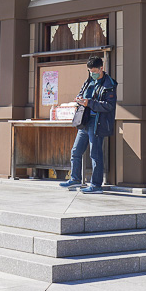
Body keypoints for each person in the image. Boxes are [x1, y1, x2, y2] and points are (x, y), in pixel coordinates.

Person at [59, 56, 116, 194]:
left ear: (102, 68)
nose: (92, 74)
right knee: (76, 151)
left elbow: (109, 106)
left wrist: (88, 103)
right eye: (90, 71)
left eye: (94, 71)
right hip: (84, 122)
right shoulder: (89, 80)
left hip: (97, 123)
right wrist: (79, 99)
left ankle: (96, 185)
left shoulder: (109, 84)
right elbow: (82, 93)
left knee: (95, 154)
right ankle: (75, 179)